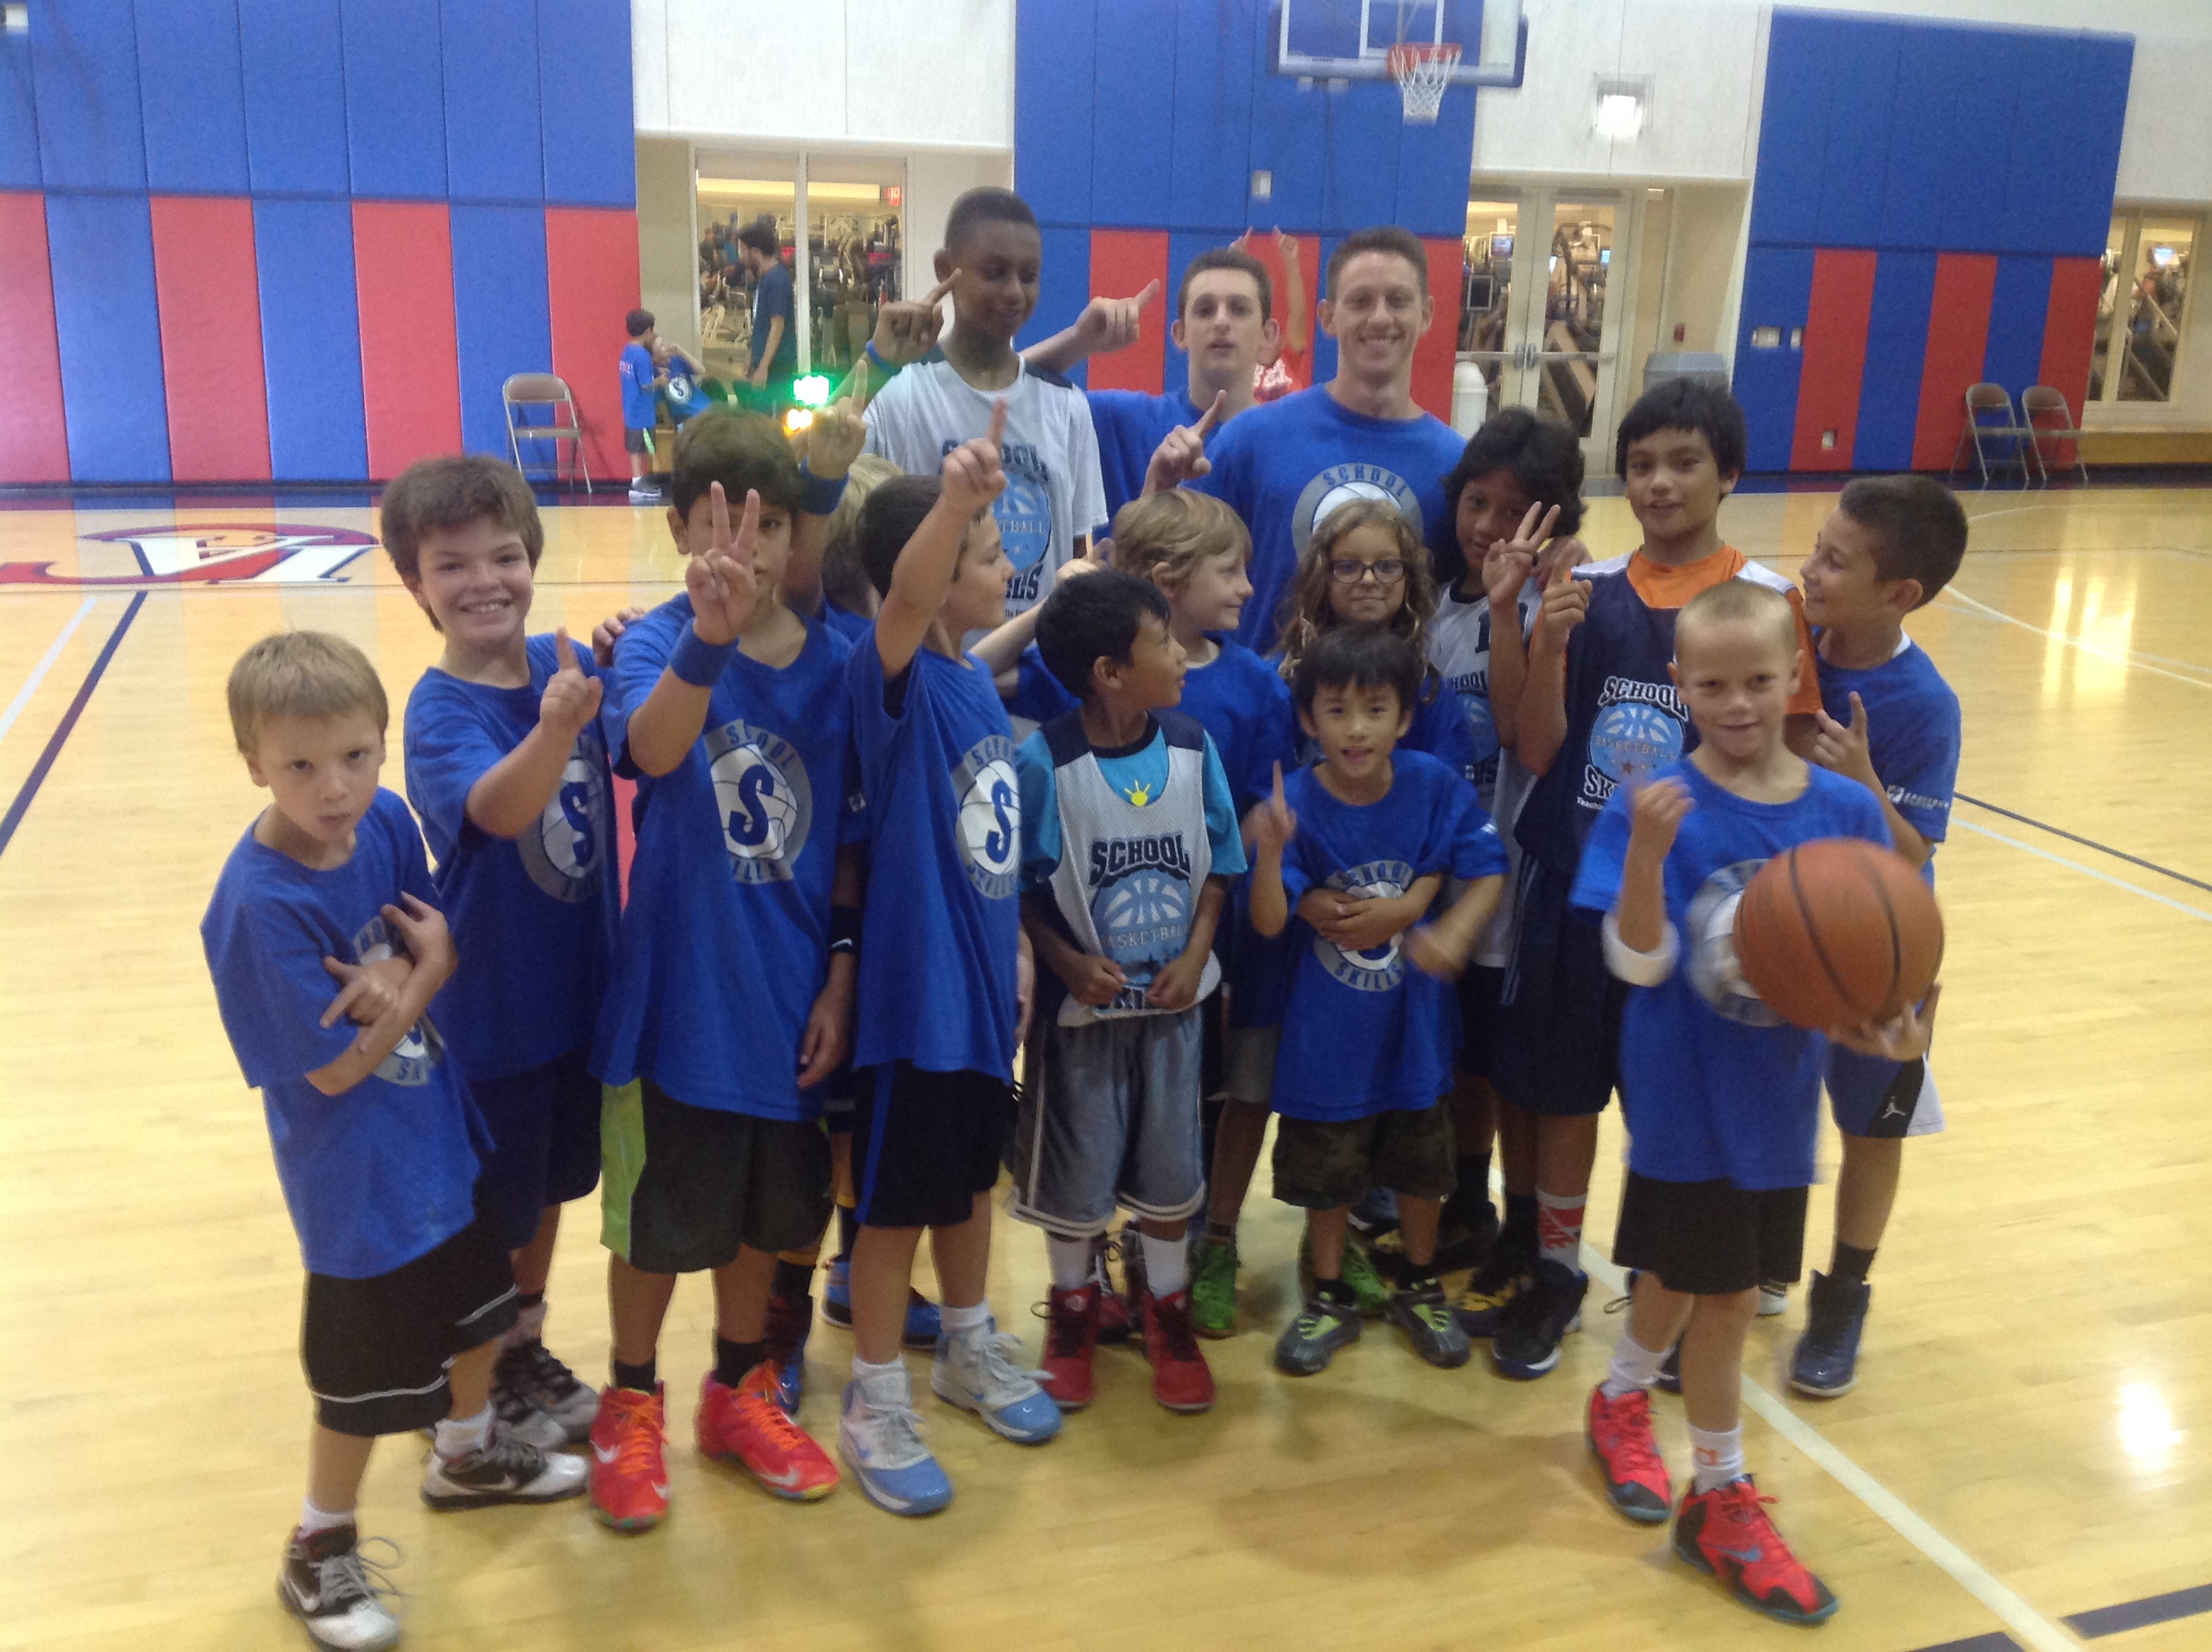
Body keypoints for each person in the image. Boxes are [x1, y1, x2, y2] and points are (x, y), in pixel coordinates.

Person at [201, 632, 586, 1652]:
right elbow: (336, 1068)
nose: (334, 787)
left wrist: (410, 976)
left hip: (440, 1138)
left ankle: (463, 1452)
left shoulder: (382, 821)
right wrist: (428, 973)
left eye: (356, 756)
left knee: (480, 1316)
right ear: (253, 762)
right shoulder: (256, 906)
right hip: (358, 1188)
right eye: (300, 765)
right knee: (359, 1389)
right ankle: (318, 1541)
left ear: (382, 742)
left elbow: (419, 942)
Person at [1571, 578, 1934, 1626]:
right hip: (1683, 1091)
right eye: (1714, 684)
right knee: (1726, 1299)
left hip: (1780, 1097)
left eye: (1760, 681)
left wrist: (1885, 1025)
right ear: (1679, 684)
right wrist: (1646, 856)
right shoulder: (1655, 807)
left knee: (1683, 1275)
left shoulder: (1844, 809)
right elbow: (1637, 964)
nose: (1737, 703)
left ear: (1795, 677)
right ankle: (1719, 1498)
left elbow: (1854, 965)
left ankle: (1619, 1394)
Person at [1492, 378, 1823, 1382]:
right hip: (1580, 878)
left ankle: (1667, 1277)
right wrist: (1549, 639)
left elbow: (1790, 757)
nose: (1660, 482)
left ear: (1731, 474)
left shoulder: (1766, 599)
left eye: (1685, 462)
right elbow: (1538, 749)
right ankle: (1557, 1268)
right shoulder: (1585, 588)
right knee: (1563, 1095)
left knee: (1675, 1103)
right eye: (1640, 465)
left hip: (1702, 903)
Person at [583, 408, 867, 1529]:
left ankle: (737, 1390)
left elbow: (850, 842)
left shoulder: (836, 660)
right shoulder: (654, 643)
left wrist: (839, 975)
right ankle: (630, 1400)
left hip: (791, 1002)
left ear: (797, 533)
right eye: (715, 526)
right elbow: (651, 750)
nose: (741, 550)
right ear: (676, 530)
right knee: (660, 1224)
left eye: (767, 526)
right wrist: (707, 636)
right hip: (681, 1003)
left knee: (765, 1215)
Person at [839, 402, 1063, 1517]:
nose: (1003, 562)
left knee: (971, 1185)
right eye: (984, 552)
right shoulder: (886, 678)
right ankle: (874, 1396)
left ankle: (967, 1346)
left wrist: (1015, 944)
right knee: (893, 1215)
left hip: (979, 1004)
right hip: (911, 1008)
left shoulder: (970, 679)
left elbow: (992, 845)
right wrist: (953, 505)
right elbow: (908, 603)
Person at [381, 455, 619, 1455]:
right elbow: (495, 808)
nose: (485, 580)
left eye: (505, 556)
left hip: (578, 999)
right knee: (492, 1215)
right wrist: (559, 726)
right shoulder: (441, 709)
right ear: (414, 584)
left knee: (549, 1193)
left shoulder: (567, 666)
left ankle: (519, 1346)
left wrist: (617, 661)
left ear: (534, 557)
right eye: (453, 565)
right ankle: (459, 1382)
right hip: (496, 1014)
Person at [1197, 497, 1475, 1327]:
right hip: (1288, 929)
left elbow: (1447, 820)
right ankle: (1219, 1239)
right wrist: (1305, 892)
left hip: (1383, 942)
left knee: (1367, 1100)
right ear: (1319, 573)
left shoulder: (1426, 688)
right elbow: (1261, 804)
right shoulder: (1278, 680)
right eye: (1348, 564)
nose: (1367, 580)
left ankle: (1339, 1244)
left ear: (1409, 577)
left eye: (1385, 565)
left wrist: (1414, 904)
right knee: (1252, 1090)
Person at [1012, 569, 1245, 1412]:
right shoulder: (1044, 763)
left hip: (1174, 1018)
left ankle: (1167, 1314)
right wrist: (1065, 960)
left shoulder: (1192, 746)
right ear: (1110, 672)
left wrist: (1198, 949)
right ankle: (1073, 1314)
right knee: (1075, 1191)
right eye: (1164, 642)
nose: (1182, 655)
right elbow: (1018, 889)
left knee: (1172, 1181)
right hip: (1081, 1021)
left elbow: (1221, 865)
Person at [1245, 626, 1507, 1376]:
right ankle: (1328, 1292)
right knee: (1327, 1179)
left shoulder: (1433, 785)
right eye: (1336, 711)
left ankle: (1420, 1285)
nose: (1356, 729)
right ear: (1308, 720)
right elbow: (1269, 921)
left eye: (1375, 709)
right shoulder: (1295, 801)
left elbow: (1487, 868)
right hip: (1327, 1042)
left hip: (1415, 1033)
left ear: (1403, 718)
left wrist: (1453, 929)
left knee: (1424, 1170)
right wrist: (1270, 850)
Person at [1394, 410, 1592, 1334]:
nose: (1489, 526)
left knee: (1515, 1070)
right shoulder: (1430, 600)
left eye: (1516, 512)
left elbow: (1518, 733)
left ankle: (1521, 1226)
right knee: (1466, 1059)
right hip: (1445, 869)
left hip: (1515, 874)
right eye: (1478, 503)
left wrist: (1518, 603)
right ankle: (1470, 1203)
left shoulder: (1554, 601)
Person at [1790, 474, 1967, 1398]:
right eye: (1817, 548)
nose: (1809, 570)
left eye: (1833, 561)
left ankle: (1844, 1292)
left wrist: (1861, 778)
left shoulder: (1924, 704)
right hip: (1782, 923)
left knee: (1869, 1126)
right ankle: (1757, 1262)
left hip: (1878, 945)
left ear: (1899, 593)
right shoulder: (1786, 641)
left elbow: (1915, 850)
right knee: (1769, 1098)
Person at [1146, 224, 1467, 657]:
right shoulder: (1251, 439)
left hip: (1392, 697)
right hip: (1266, 697)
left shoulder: (1454, 463)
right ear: (1328, 317)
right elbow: (1165, 572)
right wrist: (1156, 493)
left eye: (1398, 300)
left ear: (1426, 314)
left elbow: (1475, 600)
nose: (1379, 318)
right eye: (1360, 301)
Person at [862, 187, 1108, 621]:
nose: (1014, 291)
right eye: (995, 272)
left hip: (1036, 657)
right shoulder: (899, 393)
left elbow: (1075, 556)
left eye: (1028, 275)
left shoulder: (1068, 406)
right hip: (930, 654)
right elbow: (815, 479)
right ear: (946, 270)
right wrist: (874, 363)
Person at [1022, 243, 1280, 521]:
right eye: (1205, 310)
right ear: (1179, 334)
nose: (1221, 321)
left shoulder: (1287, 438)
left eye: (1238, 309)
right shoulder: (1123, 420)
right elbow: (1005, 391)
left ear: (1267, 336)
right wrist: (1078, 340)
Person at [736, 218, 799, 407]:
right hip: (764, 362)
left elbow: (777, 325)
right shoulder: (764, 279)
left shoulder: (777, 281)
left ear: (755, 252)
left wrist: (764, 367)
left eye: (743, 250)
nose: (740, 256)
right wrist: (751, 356)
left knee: (772, 416)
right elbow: (761, 324)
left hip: (776, 367)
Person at [1247, 228, 1310, 402]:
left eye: (1273, 335)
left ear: (1282, 341)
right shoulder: (1242, 364)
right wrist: (1233, 265)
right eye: (1263, 335)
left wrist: (1291, 262)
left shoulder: (1290, 360)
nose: (1267, 341)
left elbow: (1297, 313)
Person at [620, 308, 667, 503]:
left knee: (636, 448)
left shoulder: (627, 350)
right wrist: (661, 380)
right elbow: (646, 384)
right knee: (642, 448)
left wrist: (654, 370)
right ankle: (638, 482)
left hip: (631, 409)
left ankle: (638, 480)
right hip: (642, 412)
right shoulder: (642, 355)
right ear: (648, 331)